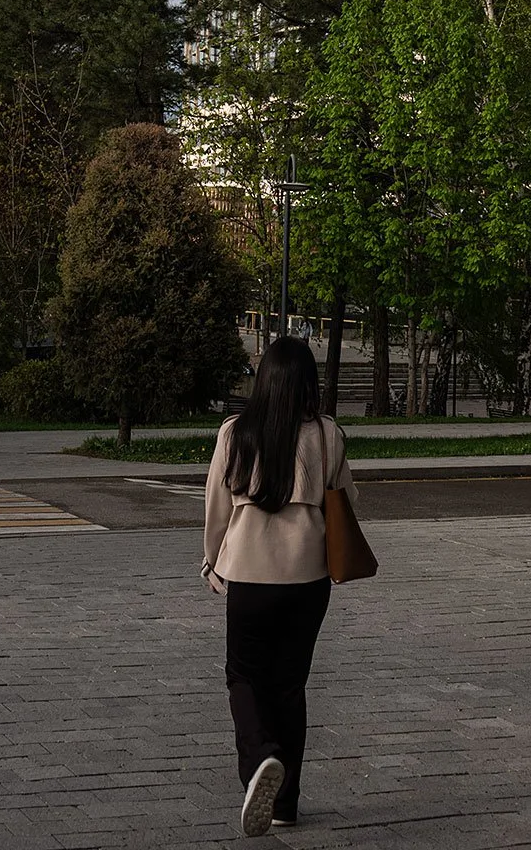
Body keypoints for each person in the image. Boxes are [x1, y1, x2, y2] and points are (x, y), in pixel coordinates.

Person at [203, 336, 355, 837]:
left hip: (250, 571)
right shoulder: (328, 434)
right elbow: (347, 500)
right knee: (290, 686)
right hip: (308, 577)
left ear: (263, 379)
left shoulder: (235, 432)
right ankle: (286, 804)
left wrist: (212, 561)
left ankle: (260, 758)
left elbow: (216, 508)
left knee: (243, 676)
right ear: (309, 381)